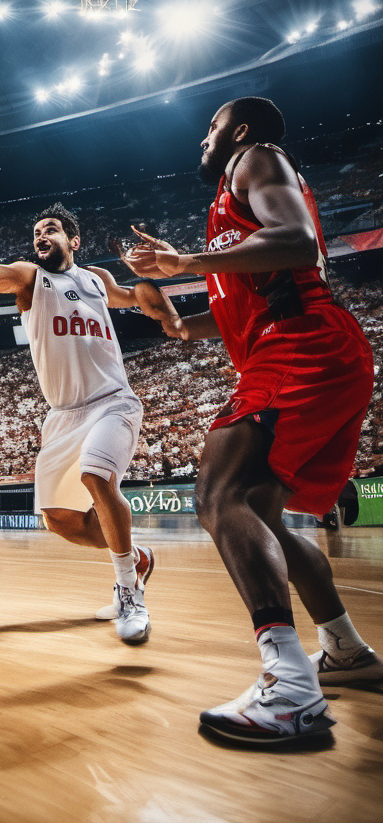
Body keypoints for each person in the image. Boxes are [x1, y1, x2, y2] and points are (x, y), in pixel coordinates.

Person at [122, 96, 380, 743]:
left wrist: (185, 264)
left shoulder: (255, 159)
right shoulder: (229, 214)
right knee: (258, 512)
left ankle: (291, 689)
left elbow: (296, 242)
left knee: (221, 491)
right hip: (306, 345)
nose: (202, 142)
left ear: (235, 131)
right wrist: (181, 323)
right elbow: (243, 308)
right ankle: (343, 648)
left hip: (304, 342)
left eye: (209, 128)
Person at [0, 202, 181, 643]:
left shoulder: (97, 279)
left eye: (50, 229)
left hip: (112, 401)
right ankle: (136, 559)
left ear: (73, 241)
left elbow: (139, 297)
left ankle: (129, 591)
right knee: (60, 520)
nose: (41, 235)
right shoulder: (30, 277)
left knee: (97, 474)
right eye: (37, 231)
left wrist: (161, 302)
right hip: (63, 415)